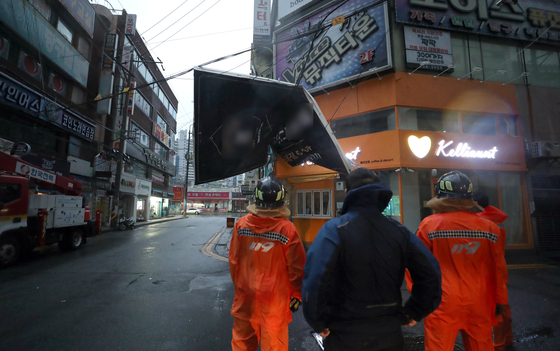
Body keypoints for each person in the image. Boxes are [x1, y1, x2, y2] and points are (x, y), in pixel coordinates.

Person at [302, 168, 442, 351]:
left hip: (345, 334)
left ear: (347, 194)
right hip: (389, 332)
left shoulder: (334, 230)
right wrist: (415, 310)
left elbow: (315, 279)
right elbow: (431, 274)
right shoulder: (400, 231)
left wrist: (317, 321)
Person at [406, 171, 508, 351]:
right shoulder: (491, 228)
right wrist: (500, 299)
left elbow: (416, 266)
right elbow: (498, 268)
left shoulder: (429, 225)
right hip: (480, 301)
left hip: (442, 303)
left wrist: (418, 301)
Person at [228, 176, 306, 351]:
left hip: (245, 300)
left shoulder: (241, 225)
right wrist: (296, 295)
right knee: (274, 346)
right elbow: (296, 268)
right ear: (281, 199)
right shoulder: (287, 229)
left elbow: (234, 261)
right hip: (274, 304)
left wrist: (241, 286)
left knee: (242, 344)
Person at [473, 190, 513, 351]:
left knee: (493, 308)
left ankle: (498, 345)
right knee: (503, 305)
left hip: (486, 268)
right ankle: (508, 339)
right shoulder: (497, 218)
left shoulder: (480, 222)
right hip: (500, 265)